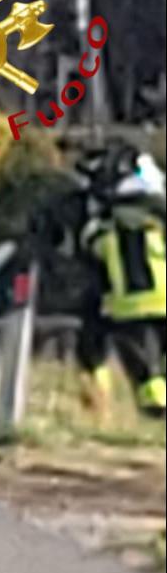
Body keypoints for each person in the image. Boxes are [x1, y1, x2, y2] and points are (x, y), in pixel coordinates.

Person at [75, 144, 166, 418]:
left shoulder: (105, 228)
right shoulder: (157, 221)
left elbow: (89, 247)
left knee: (148, 376)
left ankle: (153, 408)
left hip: (131, 310)